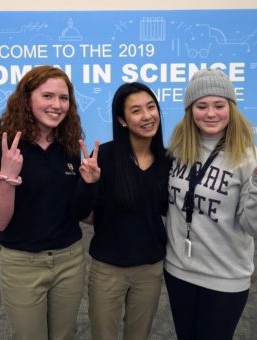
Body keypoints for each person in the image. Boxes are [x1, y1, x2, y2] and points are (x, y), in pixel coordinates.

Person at [0, 65, 99, 340]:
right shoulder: (4, 148)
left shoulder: (70, 147)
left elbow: (83, 214)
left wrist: (90, 185)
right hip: (22, 263)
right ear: (27, 99)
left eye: (63, 98)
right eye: (47, 96)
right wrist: (8, 178)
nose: (57, 105)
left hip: (69, 259)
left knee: (64, 335)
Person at [164, 68, 257, 340]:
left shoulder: (247, 155)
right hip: (178, 271)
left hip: (225, 278)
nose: (210, 113)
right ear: (191, 110)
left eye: (219, 105)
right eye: (202, 106)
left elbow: (254, 226)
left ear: (231, 108)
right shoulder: (177, 148)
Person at [76, 82, 171, 340]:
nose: (147, 116)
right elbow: (81, 211)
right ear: (122, 120)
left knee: (139, 335)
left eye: (151, 107)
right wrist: (89, 183)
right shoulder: (103, 157)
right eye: (136, 110)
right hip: (108, 267)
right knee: (103, 334)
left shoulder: (167, 159)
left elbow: (165, 209)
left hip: (149, 267)